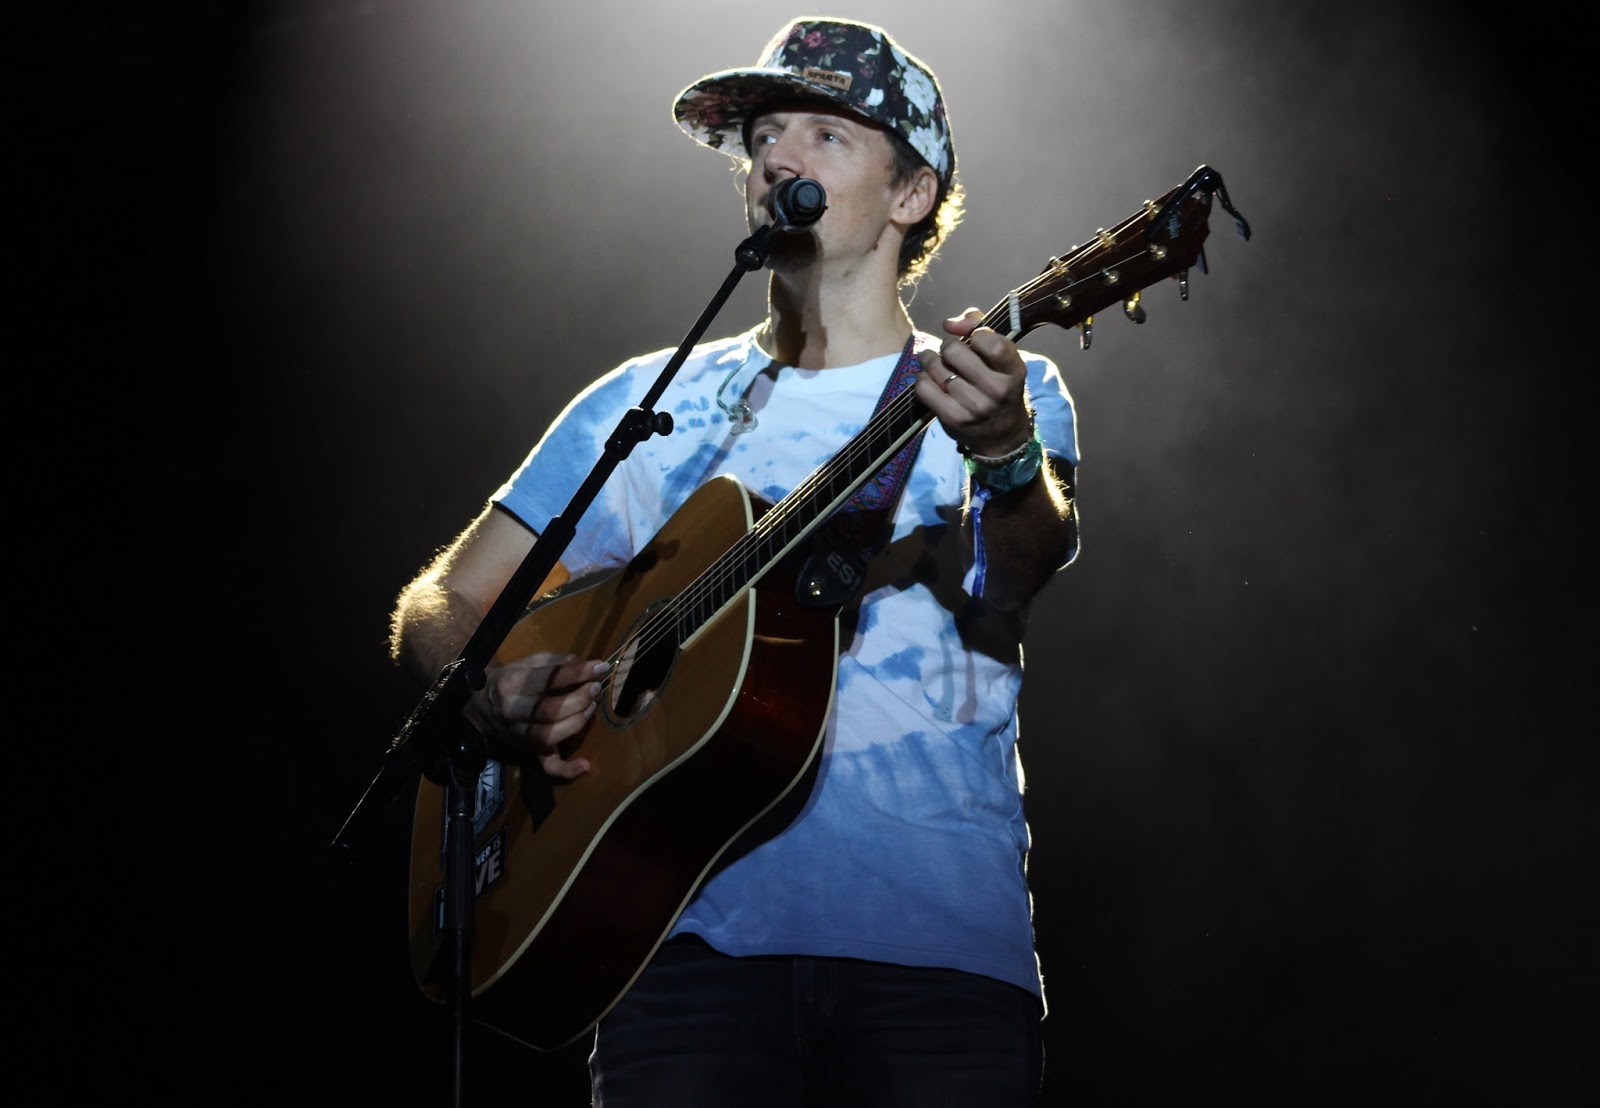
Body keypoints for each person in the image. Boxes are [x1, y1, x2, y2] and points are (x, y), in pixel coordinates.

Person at [388, 16, 1081, 1106]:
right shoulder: (643, 402)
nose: (775, 159)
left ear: (911, 194)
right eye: (763, 137)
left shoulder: (998, 392)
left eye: (825, 135)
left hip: (934, 954)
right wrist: (484, 687)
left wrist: (1002, 453)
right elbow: (444, 601)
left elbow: (1022, 570)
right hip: (675, 950)